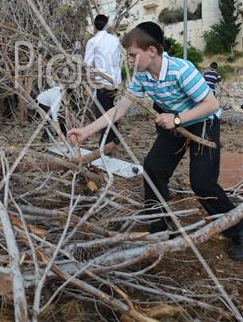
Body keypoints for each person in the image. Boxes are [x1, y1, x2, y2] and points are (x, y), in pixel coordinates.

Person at [69, 21, 243, 260]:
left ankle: (239, 232)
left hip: (203, 121)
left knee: (203, 183)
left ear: (152, 51)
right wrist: (86, 131)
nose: (129, 60)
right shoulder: (141, 77)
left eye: (132, 55)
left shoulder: (181, 70)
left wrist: (178, 120)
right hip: (175, 121)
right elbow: (120, 108)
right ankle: (160, 227)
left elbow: (212, 104)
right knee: (153, 167)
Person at [84, 14, 121, 146]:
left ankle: (106, 143)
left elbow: (87, 64)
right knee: (113, 109)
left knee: (103, 113)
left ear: (94, 26)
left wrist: (90, 79)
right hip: (115, 81)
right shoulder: (115, 40)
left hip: (102, 82)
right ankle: (115, 139)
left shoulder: (93, 41)